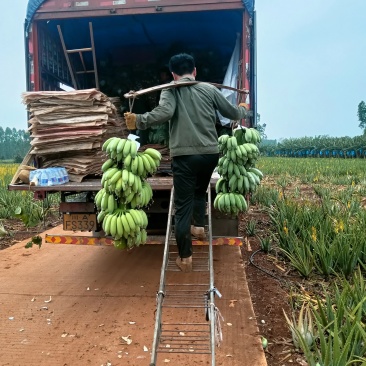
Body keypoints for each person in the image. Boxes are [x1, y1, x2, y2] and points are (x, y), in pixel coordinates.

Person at [124, 53, 251, 272]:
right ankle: (199, 228)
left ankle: (185, 258)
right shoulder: (209, 89)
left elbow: (164, 113)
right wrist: (243, 108)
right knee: (200, 192)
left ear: (173, 74)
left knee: (182, 208)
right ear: (194, 71)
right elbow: (230, 112)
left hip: (184, 157)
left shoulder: (170, 89)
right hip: (210, 154)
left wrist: (139, 121)